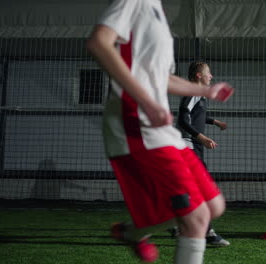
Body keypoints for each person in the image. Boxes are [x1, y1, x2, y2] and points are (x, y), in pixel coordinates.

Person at [86, 0, 234, 263]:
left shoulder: (160, 15)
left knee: (213, 206)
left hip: (161, 128)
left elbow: (160, 78)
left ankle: (132, 233)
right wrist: (145, 100)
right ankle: (134, 232)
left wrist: (205, 91)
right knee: (195, 218)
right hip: (134, 122)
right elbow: (99, 42)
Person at [171, 62, 230, 247]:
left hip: (191, 147)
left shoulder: (197, 95)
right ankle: (208, 233)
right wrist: (202, 137)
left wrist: (214, 122)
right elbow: (182, 119)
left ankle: (176, 223)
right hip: (188, 147)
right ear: (198, 75)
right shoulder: (193, 92)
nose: (211, 76)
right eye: (208, 73)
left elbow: (196, 116)